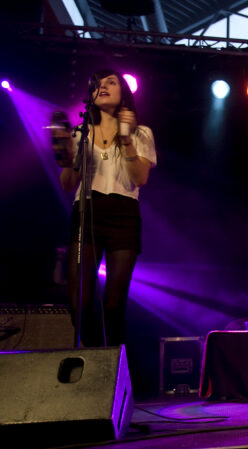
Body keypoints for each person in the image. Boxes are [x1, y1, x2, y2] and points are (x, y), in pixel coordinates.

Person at [52, 69, 157, 346]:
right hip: (86, 213)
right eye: (99, 83)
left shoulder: (141, 133)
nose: (104, 86)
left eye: (112, 82)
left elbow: (140, 178)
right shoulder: (79, 133)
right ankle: (93, 357)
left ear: (124, 92)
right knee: (79, 301)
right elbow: (67, 184)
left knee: (113, 304)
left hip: (123, 216)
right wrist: (68, 156)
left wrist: (125, 139)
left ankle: (115, 372)